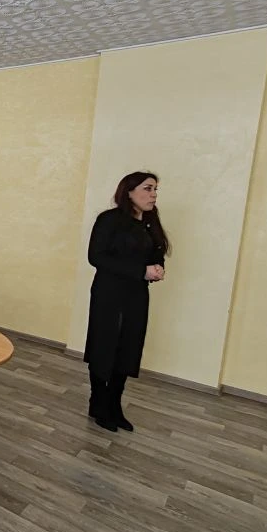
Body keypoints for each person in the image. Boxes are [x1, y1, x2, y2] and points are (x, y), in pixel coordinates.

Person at [85, 171, 170, 433]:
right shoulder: (109, 220)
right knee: (104, 346)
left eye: (155, 189)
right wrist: (140, 271)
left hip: (136, 294)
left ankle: (114, 403)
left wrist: (157, 268)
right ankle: (98, 402)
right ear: (129, 191)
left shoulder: (150, 221)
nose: (153, 194)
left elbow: (155, 252)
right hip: (109, 293)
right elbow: (96, 257)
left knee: (128, 348)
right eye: (147, 188)